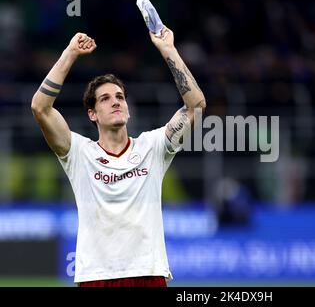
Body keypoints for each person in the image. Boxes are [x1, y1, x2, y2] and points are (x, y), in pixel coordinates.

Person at [31, 27, 206, 287]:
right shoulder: (78, 152)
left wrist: (169, 50)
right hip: (97, 277)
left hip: (148, 273)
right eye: (105, 99)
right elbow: (40, 107)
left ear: (128, 108)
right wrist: (70, 53)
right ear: (92, 114)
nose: (116, 102)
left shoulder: (153, 146)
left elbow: (196, 107)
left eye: (120, 97)